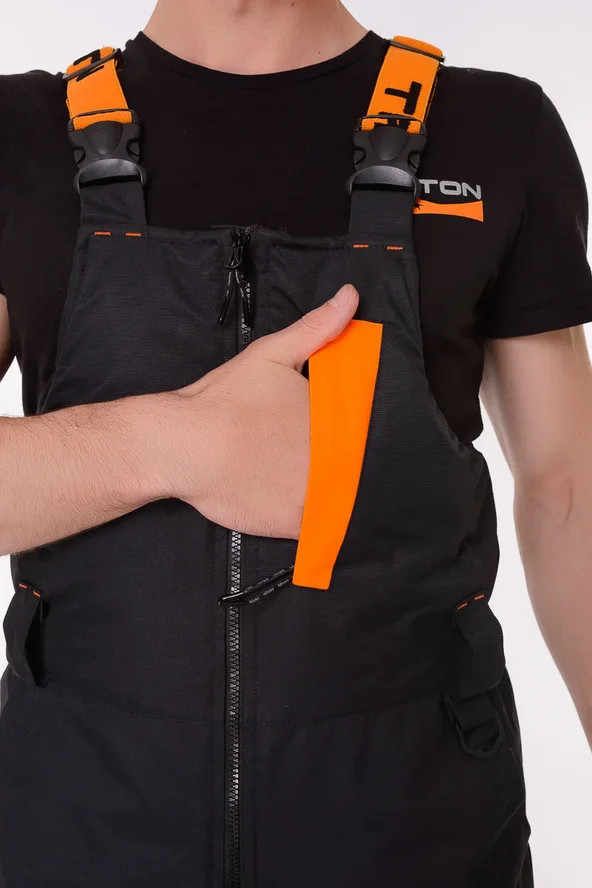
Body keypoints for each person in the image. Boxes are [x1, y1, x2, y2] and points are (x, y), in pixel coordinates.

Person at [0, 0, 590, 885]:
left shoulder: (498, 129)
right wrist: (178, 441)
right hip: (77, 826)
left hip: (421, 832)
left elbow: (567, 489)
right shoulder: (14, 134)